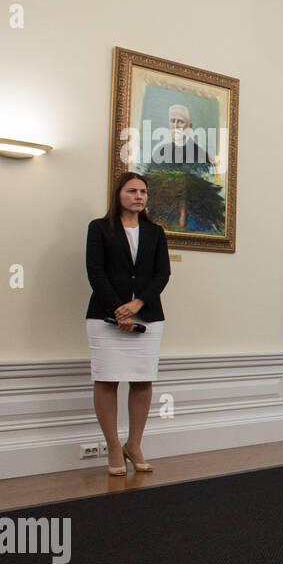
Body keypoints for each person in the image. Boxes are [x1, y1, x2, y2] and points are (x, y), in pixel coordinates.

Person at [85, 171, 171, 476]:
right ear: (118, 195)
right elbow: (95, 272)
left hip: (147, 315)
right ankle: (113, 448)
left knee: (142, 381)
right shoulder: (99, 228)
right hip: (104, 317)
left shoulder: (156, 232)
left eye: (143, 192)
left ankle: (134, 445)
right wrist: (118, 310)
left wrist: (137, 304)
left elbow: (162, 275)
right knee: (107, 380)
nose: (139, 196)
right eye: (132, 190)